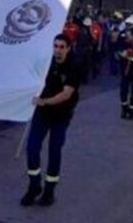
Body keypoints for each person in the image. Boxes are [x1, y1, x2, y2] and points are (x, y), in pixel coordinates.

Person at [21, 34, 81, 207]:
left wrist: (45, 101)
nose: (58, 50)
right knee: (32, 149)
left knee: (54, 151)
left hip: (61, 116)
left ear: (68, 48)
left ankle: (49, 190)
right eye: (55, 46)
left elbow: (66, 94)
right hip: (42, 114)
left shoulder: (74, 67)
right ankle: (34, 186)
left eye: (62, 47)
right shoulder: (46, 63)